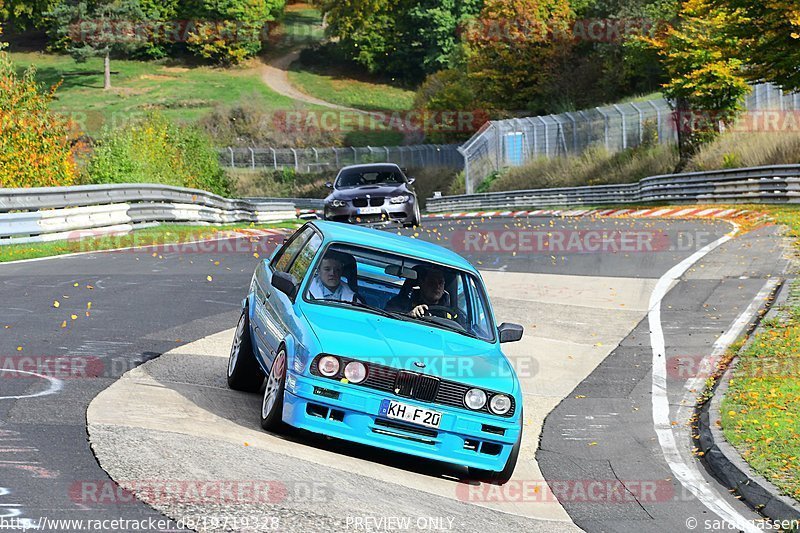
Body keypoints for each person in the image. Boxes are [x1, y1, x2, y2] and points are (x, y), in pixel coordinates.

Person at [386, 267, 451, 318]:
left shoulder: (451, 312)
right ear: (422, 283)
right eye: (432, 282)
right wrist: (409, 315)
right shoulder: (400, 304)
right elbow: (388, 321)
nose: (437, 286)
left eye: (440, 283)